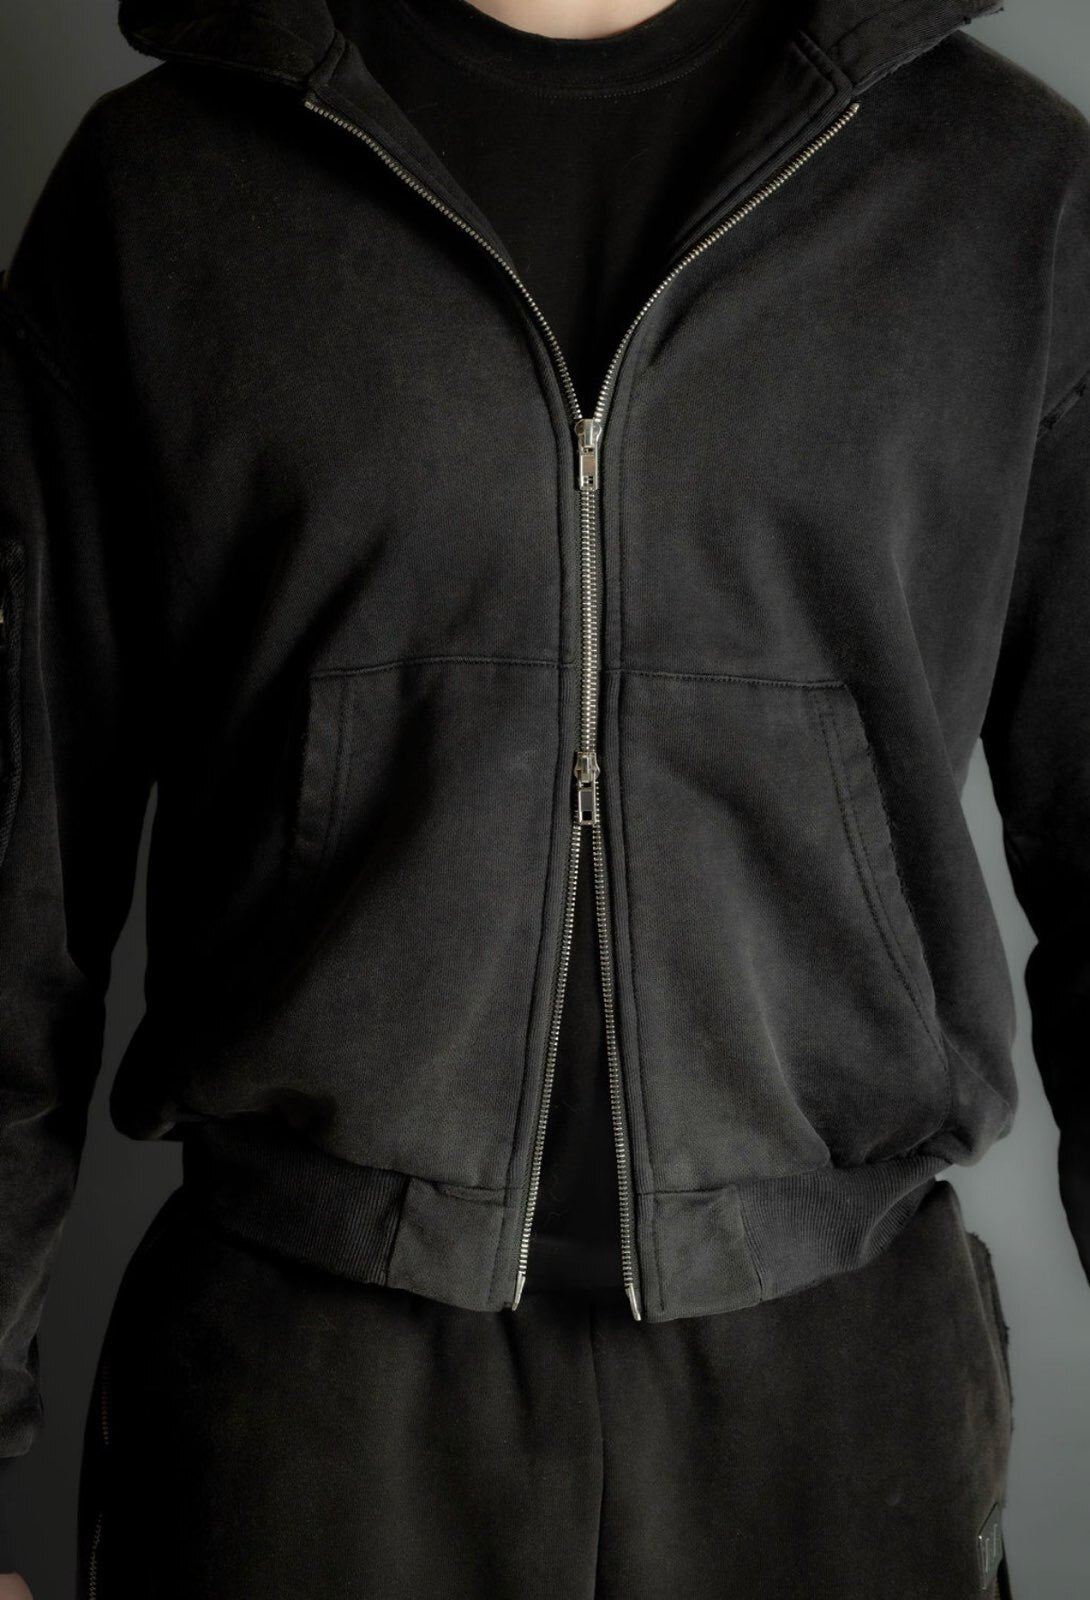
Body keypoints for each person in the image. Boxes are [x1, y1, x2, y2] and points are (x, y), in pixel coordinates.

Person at [1, 0, 1087, 1592]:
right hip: (304, 1406)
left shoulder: (1001, 188)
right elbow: (14, 877)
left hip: (834, 1404)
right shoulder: (167, 188)